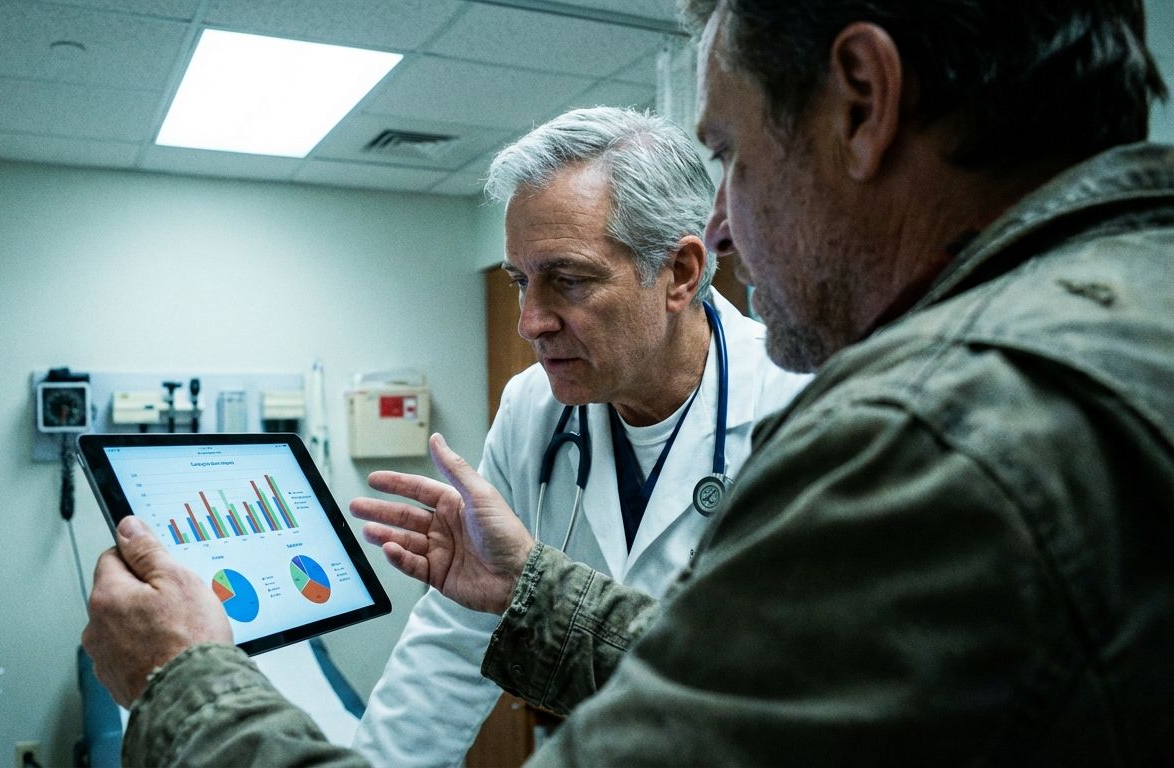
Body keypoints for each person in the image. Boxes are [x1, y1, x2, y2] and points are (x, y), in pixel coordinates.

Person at [83, 0, 1174, 764]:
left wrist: (185, 684)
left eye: (735, 158)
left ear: (861, 100)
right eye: (517, 281)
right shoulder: (1122, 325)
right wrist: (529, 594)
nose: (733, 216)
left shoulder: (928, 434)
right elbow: (770, 686)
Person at [350, 106, 807, 768]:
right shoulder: (533, 407)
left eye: (567, 280)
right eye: (519, 281)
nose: (530, 322)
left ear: (679, 273)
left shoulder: (800, 401)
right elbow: (458, 632)